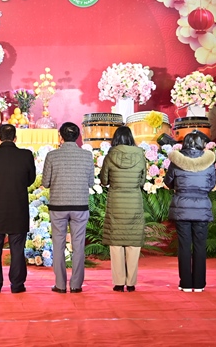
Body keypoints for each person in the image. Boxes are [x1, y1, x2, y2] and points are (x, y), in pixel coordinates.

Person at [0, 124, 36, 293]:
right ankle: (17, 285)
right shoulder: (26, 155)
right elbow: (30, 179)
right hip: (18, 208)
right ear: (15, 138)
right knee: (17, 248)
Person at [42, 122, 94, 294]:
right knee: (78, 245)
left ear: (61, 136)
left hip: (58, 205)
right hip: (80, 205)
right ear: (78, 136)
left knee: (58, 244)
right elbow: (91, 182)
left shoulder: (52, 155)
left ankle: (60, 284)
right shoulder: (86, 156)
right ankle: (76, 285)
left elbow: (45, 183)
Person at [164, 131, 216, 293]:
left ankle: (185, 283)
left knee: (184, 246)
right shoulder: (208, 162)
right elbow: (211, 185)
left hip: (182, 208)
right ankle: (199, 284)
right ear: (201, 144)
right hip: (202, 209)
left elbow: (168, 182)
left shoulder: (177, 161)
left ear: (185, 143)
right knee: (200, 246)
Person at [99, 126, 147, 292]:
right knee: (133, 242)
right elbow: (142, 181)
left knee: (116, 242)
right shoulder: (140, 155)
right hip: (134, 201)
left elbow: (104, 180)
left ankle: (119, 282)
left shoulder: (110, 155)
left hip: (116, 202)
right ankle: (131, 283)